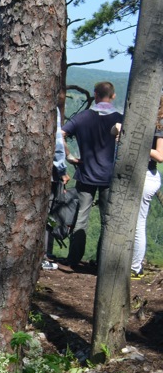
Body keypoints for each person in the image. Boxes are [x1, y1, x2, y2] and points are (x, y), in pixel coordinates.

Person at [62, 81, 124, 269]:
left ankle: (73, 260)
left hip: (86, 174)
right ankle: (102, 263)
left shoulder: (83, 117)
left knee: (81, 218)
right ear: (113, 96)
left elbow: (61, 133)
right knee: (108, 221)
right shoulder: (120, 119)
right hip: (109, 177)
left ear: (95, 95)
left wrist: (69, 156)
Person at [128, 96, 163, 279]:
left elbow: (160, 155)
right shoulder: (147, 121)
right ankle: (132, 264)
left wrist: (136, 145)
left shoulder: (159, 125)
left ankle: (135, 267)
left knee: (139, 222)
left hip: (146, 176)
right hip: (139, 175)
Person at [43, 109, 70, 271]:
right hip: (47, 172)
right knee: (44, 215)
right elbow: (58, 144)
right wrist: (61, 170)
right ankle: (42, 255)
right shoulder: (51, 106)